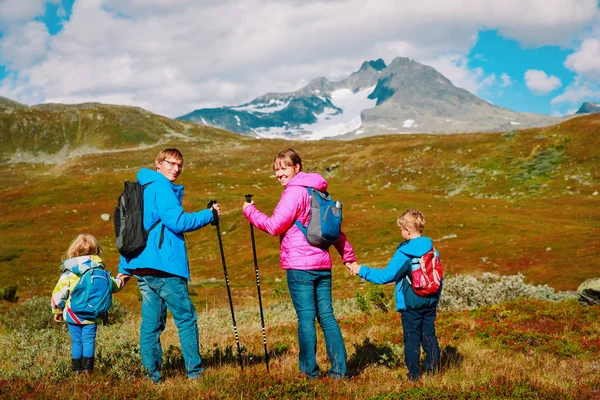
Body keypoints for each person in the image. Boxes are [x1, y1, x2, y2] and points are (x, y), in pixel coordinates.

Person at [242, 148, 356, 379]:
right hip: (322, 264)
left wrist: (250, 211)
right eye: (276, 169)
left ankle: (309, 373)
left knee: (306, 317)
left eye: (284, 168)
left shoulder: (293, 193)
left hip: (300, 266)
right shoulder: (320, 192)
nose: (279, 173)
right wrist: (348, 257)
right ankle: (339, 371)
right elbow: (335, 230)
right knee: (327, 317)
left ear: (297, 167)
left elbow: (274, 226)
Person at [118, 148, 220, 383]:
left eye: (179, 165)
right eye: (170, 163)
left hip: (141, 268)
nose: (175, 168)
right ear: (158, 164)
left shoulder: (140, 189)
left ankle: (151, 377)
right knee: (186, 318)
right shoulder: (161, 187)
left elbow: (127, 231)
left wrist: (125, 267)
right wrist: (209, 215)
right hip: (165, 267)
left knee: (151, 325)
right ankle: (195, 374)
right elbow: (177, 222)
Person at [347, 209, 441, 381]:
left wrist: (361, 270)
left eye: (401, 229)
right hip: (430, 301)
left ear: (408, 230)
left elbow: (386, 277)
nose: (400, 232)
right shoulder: (432, 249)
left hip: (411, 303)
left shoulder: (404, 253)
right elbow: (438, 275)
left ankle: (413, 376)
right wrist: (435, 298)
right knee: (429, 335)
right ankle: (434, 371)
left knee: (412, 338)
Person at [51, 234, 130, 374]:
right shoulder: (101, 271)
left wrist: (57, 310)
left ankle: (77, 371)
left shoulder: (70, 271)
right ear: (96, 251)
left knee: (76, 341)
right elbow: (114, 286)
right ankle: (88, 371)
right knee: (89, 340)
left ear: (74, 251)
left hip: (72, 313)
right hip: (92, 314)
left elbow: (59, 293)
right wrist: (122, 278)